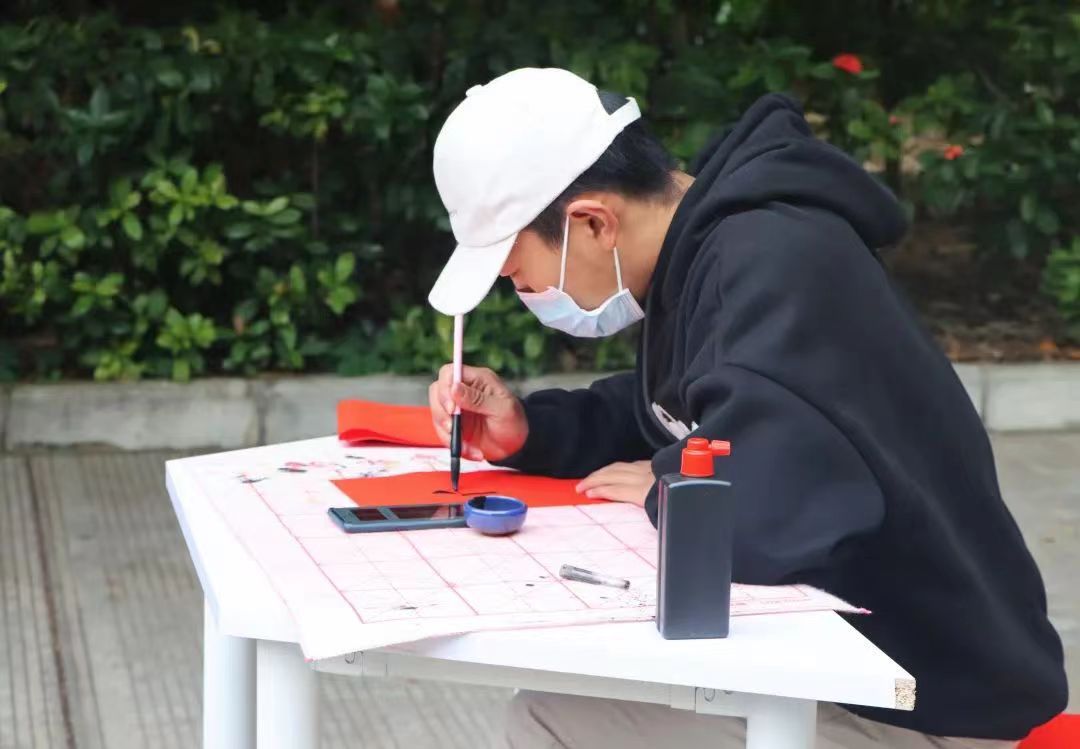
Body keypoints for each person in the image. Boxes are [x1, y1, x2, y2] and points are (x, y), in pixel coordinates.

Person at [425, 68, 1067, 748]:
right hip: (855, 669)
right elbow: (675, 407)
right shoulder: (715, 247)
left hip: (921, 704)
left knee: (551, 718)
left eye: (515, 272)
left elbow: (766, 517)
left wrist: (674, 487)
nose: (523, 290)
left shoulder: (768, 262)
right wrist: (532, 428)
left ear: (592, 222)